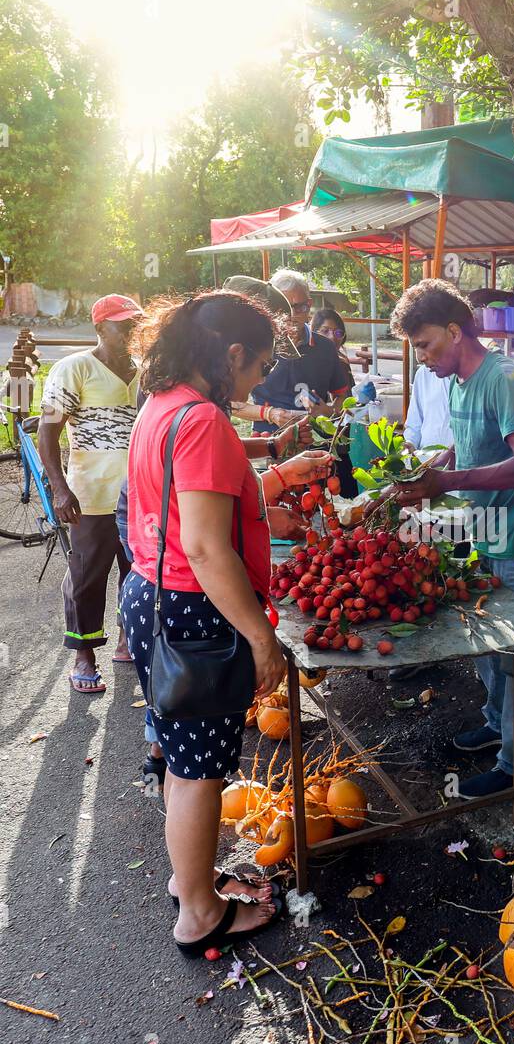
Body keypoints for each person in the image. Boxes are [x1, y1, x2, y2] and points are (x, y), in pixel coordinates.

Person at [121, 290, 332, 956]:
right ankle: (200, 916)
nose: (257, 382)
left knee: (182, 761)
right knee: (201, 771)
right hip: (194, 612)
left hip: (150, 596)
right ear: (231, 353)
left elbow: (185, 512)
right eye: (257, 367)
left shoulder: (162, 406)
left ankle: (192, 884)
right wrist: (261, 637)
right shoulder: (203, 421)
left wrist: (269, 486)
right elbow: (208, 548)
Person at [389, 279, 514, 800]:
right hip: (475, 536)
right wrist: (431, 470)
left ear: (455, 330)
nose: (423, 358)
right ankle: (497, 726)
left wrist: (446, 483)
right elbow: (470, 448)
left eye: (426, 345)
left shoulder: (509, 378)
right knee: (486, 647)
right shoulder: (454, 380)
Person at [39, 293, 143, 693]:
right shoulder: (73, 368)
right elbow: (48, 431)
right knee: (86, 578)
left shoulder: (145, 372)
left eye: (135, 324)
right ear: (100, 328)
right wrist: (59, 488)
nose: (131, 332)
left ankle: (125, 639)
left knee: (137, 573)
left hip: (138, 494)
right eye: (123, 325)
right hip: (91, 495)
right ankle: (84, 655)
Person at [231, 270, 351, 434]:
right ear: (270, 307)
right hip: (268, 441)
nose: (292, 315)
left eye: (299, 307)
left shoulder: (325, 347)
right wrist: (269, 414)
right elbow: (231, 404)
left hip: (318, 439)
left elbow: (342, 397)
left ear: (309, 305)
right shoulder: (257, 347)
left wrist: (327, 411)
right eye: (284, 308)